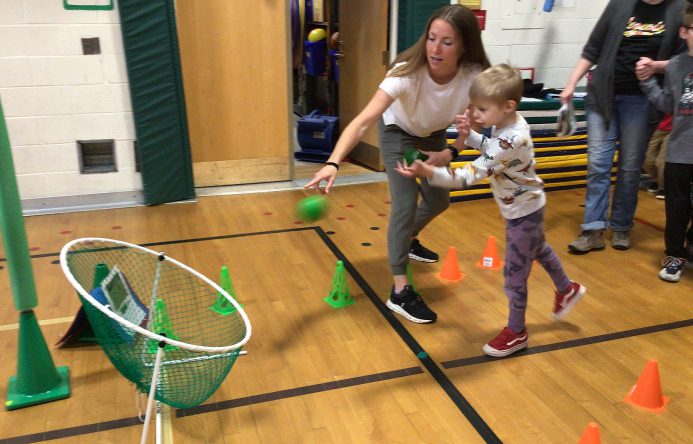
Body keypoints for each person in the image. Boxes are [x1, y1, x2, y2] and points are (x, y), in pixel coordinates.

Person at [304, 4, 491, 324]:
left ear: (464, 46)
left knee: (439, 199)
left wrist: (452, 152)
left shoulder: (474, 77)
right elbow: (363, 121)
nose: (435, 48)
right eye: (432, 38)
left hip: (431, 136)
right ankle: (400, 291)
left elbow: (470, 124)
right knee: (405, 204)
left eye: (447, 42)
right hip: (398, 136)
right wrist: (333, 162)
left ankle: (409, 239)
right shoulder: (406, 72)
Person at [395, 64, 586, 357]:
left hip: (523, 212)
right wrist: (470, 135)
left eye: (481, 109)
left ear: (508, 106)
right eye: (474, 108)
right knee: (539, 249)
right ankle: (566, 288)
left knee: (514, 277)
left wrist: (428, 172)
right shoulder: (509, 126)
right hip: (527, 207)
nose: (475, 115)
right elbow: (491, 147)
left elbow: (465, 177)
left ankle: (516, 332)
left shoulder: (509, 139)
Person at [560, 0, 687, 254]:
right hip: (603, 96)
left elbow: (682, 59)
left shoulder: (679, 9)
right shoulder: (619, 4)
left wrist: (654, 66)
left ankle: (621, 225)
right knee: (598, 163)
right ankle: (593, 229)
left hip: (641, 101)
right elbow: (592, 49)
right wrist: (571, 83)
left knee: (630, 167)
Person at [638, 1, 693, 282]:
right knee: (677, 209)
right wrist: (647, 82)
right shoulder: (677, 67)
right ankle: (674, 255)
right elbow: (667, 104)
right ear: (684, 32)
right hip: (680, 153)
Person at [644, 113, 673, 199]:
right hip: (658, 128)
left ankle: (663, 187)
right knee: (647, 159)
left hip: (673, 130)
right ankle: (656, 179)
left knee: (661, 161)